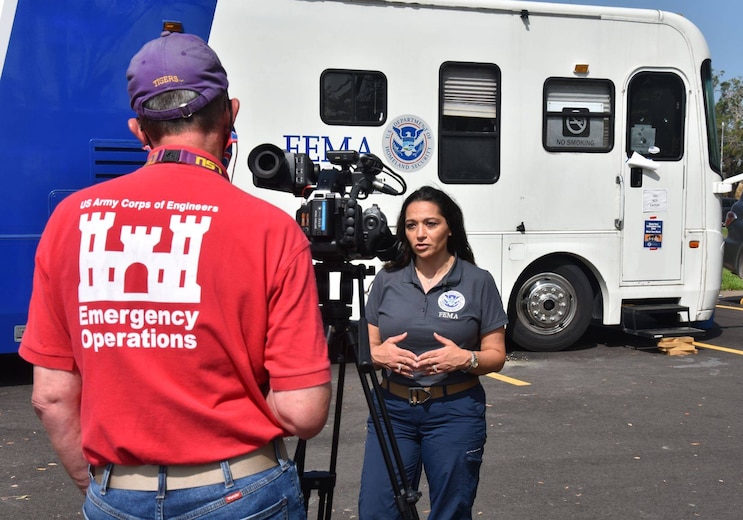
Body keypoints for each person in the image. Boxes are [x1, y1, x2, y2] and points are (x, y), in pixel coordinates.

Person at [18, 30, 332, 519]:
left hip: (118, 491)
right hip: (242, 490)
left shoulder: (70, 221)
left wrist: (99, 488)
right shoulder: (272, 229)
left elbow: (51, 396)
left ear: (138, 130)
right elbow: (302, 412)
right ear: (231, 114)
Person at [358, 186, 507, 519]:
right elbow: (366, 345)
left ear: (450, 227)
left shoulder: (477, 281)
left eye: (430, 223)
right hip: (393, 410)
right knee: (377, 511)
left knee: (450, 512)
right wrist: (378, 355)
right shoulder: (387, 279)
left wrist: (466, 359)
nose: (420, 234)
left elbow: (496, 354)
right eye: (411, 226)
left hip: (454, 412)